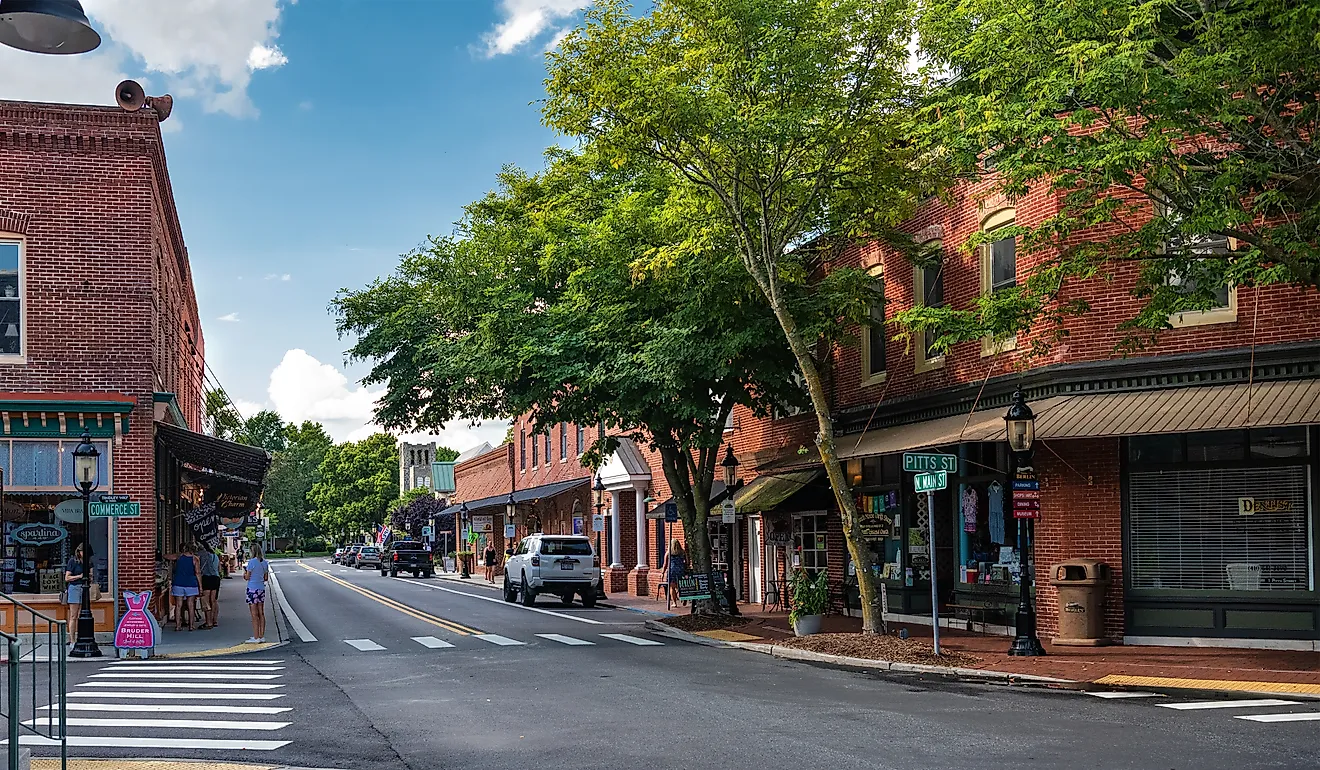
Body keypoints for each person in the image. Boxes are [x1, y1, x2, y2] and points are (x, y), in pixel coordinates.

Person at [171, 542, 202, 632]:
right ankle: (191, 626)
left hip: (178, 583)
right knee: (191, 605)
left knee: (178, 605)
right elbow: (198, 573)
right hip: (191, 584)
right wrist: (200, 587)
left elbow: (167, 556)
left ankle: (178, 626)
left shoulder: (179, 557)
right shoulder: (195, 559)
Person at [244, 543, 270, 644]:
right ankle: (261, 635)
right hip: (261, 588)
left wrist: (244, 574)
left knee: (254, 614)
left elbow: (247, 577)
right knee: (261, 613)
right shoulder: (265, 563)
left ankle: (255, 637)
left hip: (252, 589)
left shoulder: (251, 562)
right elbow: (266, 578)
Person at [198, 545, 221, 629]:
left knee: (206, 600)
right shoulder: (215, 556)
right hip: (216, 578)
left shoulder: (202, 555)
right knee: (213, 600)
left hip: (206, 578)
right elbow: (219, 569)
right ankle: (214, 620)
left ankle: (208, 622)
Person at [660, 538, 687, 605]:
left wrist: (662, 573)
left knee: (672, 587)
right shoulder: (683, 552)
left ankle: (674, 603)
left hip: (672, 571)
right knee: (681, 586)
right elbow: (687, 562)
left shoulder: (668, 553)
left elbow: (665, 564)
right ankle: (684, 598)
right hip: (681, 570)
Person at [64, 543, 86, 609]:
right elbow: (67, 578)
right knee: (74, 615)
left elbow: (91, 576)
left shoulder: (88, 562)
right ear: (79, 552)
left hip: (85, 588)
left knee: (83, 613)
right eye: (83, 551)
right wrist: (79, 576)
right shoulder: (73, 561)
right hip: (75, 587)